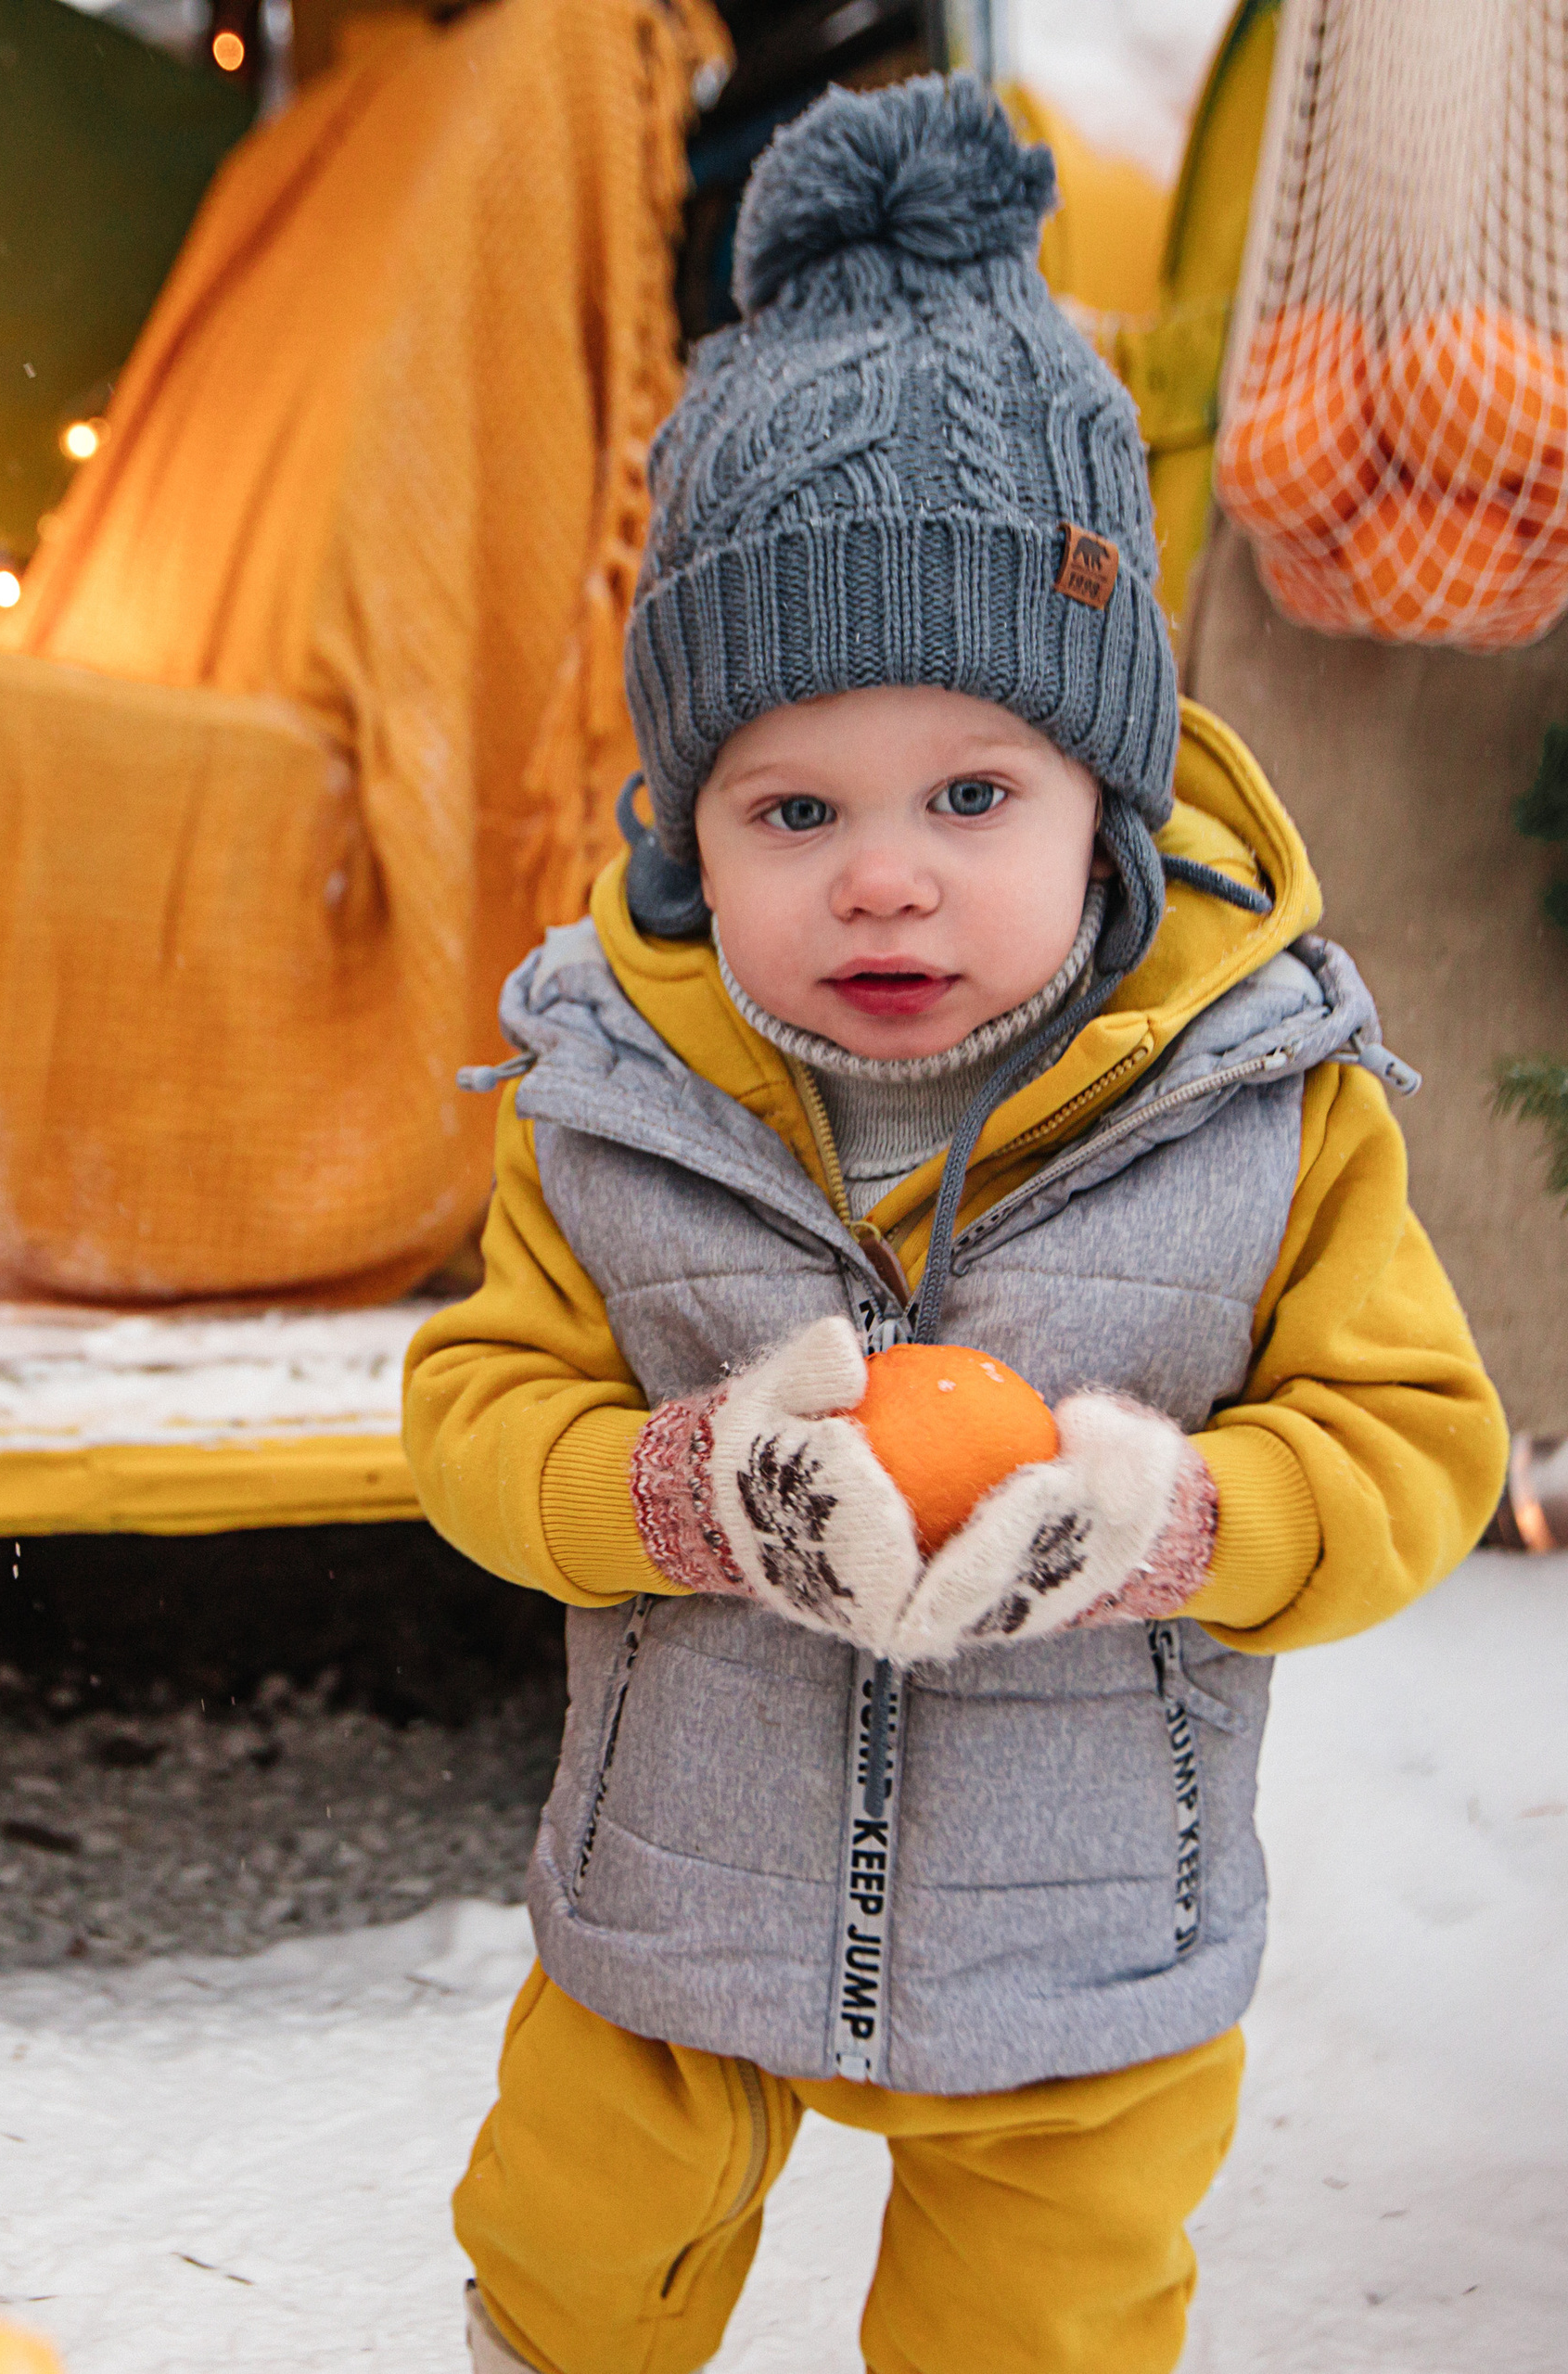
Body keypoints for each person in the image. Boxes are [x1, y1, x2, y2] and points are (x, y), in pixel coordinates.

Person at [402, 74, 1506, 2374]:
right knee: (572, 2247)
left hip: (1088, 1948)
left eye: (971, 791)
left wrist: (1177, 1518)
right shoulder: (615, 1091)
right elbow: (471, 1412)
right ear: (690, 826)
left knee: (1041, 2320)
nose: (882, 870)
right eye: (792, 802)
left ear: (1103, 786)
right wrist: (672, 1488)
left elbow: (1412, 1449)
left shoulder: (1258, 1091)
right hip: (677, 1916)